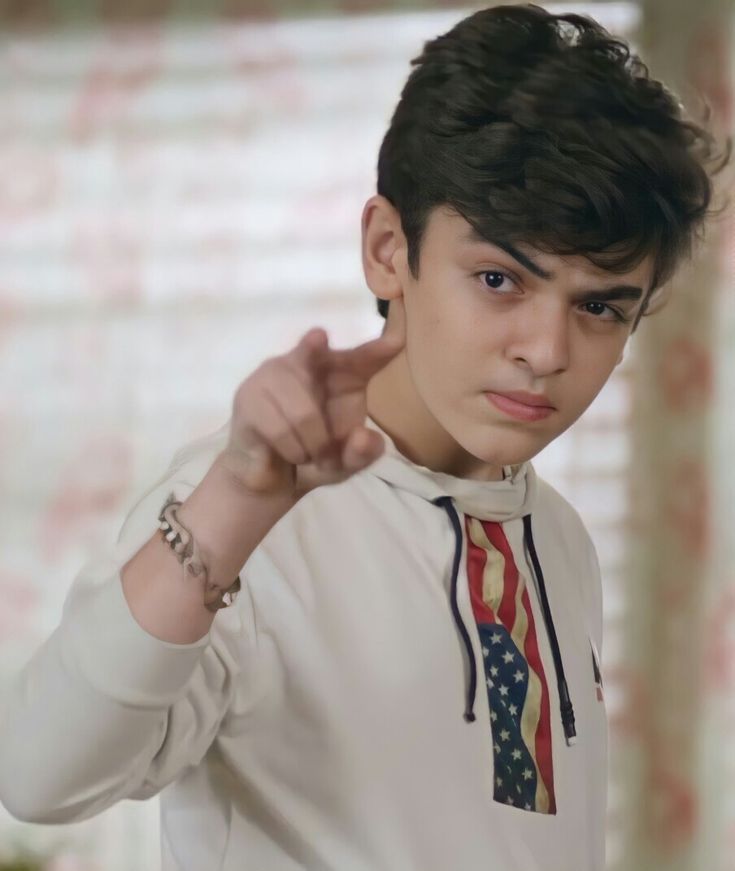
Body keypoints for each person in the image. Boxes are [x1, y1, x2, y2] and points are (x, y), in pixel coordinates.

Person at [0, 5, 727, 870]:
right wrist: (236, 503)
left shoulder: (558, 539)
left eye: (599, 305)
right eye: (498, 278)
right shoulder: (238, 508)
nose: (546, 351)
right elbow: (38, 778)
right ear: (389, 250)